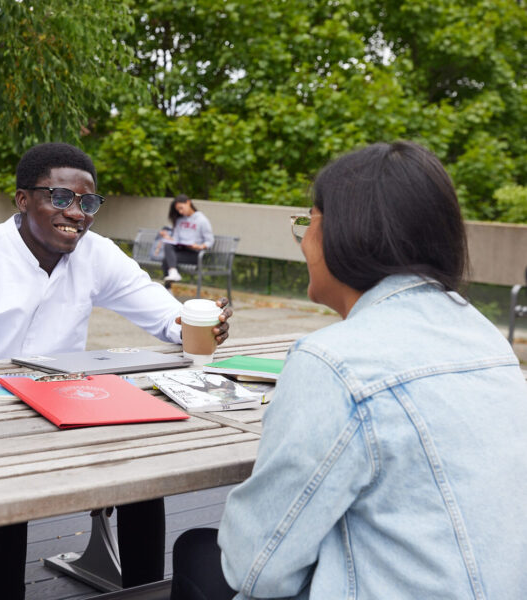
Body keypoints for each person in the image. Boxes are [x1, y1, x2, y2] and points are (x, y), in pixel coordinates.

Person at [170, 141, 527, 599]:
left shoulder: (334, 362)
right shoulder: (486, 339)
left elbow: (254, 567)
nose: (303, 242)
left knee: (198, 553)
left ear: (345, 233)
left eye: (308, 223)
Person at [0, 142, 233, 598]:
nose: (76, 213)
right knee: (9, 487)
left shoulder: (96, 253)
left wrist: (199, 323)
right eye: (60, 198)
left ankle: (141, 591)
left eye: (88, 202)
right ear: (23, 200)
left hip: (71, 407)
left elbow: (163, 315)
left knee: (141, 468)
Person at [160, 194, 214, 283]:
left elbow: (210, 241)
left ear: (188, 202)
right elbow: (175, 239)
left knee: (166, 259)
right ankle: (173, 274)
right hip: (182, 251)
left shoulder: (202, 220)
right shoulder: (179, 220)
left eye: (181, 208)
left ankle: (169, 287)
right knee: (168, 246)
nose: (180, 212)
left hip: (196, 254)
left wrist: (199, 246)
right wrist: (167, 237)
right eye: (178, 210)